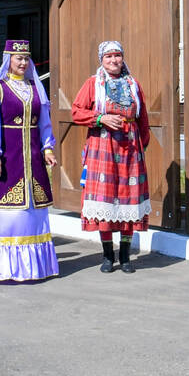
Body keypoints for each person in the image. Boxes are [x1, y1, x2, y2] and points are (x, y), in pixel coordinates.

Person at [0, 40, 58, 283]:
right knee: (9, 215)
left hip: (33, 159)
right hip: (8, 157)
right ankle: (4, 268)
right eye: (18, 58)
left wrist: (48, 148)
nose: (23, 63)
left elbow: (44, 122)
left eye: (26, 58)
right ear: (8, 60)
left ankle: (34, 267)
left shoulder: (36, 89)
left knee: (33, 214)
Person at [70, 40, 150, 273]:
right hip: (102, 146)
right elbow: (77, 111)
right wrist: (100, 119)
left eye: (118, 56)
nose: (114, 60)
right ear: (101, 60)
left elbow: (142, 116)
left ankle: (125, 256)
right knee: (105, 200)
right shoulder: (93, 83)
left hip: (130, 148)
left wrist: (140, 144)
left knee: (128, 199)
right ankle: (107, 256)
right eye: (109, 57)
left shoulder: (133, 84)